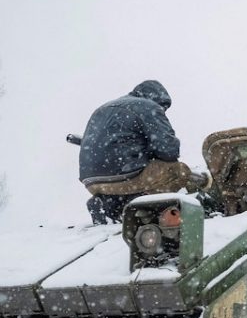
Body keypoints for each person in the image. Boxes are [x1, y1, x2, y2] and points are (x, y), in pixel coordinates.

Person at [78, 80, 209, 224]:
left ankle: (108, 204)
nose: (163, 110)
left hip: (92, 181)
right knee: (178, 170)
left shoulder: (102, 108)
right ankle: (143, 206)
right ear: (156, 98)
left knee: (132, 179)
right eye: (163, 107)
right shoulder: (148, 106)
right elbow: (169, 150)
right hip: (126, 176)